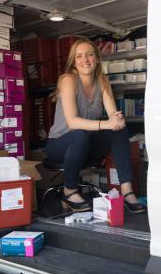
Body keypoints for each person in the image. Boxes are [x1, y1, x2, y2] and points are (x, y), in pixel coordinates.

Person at [46, 38, 146, 214]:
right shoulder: (68, 79)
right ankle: (69, 191)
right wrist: (106, 123)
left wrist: (117, 120)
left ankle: (127, 191)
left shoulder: (102, 82)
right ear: (74, 62)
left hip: (86, 144)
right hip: (59, 144)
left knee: (119, 130)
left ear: (97, 59)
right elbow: (72, 122)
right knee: (79, 134)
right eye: (79, 56)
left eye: (89, 55)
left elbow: (113, 118)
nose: (85, 60)